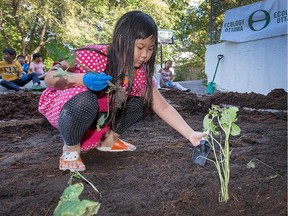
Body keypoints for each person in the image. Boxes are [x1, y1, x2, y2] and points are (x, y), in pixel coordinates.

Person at [38, 10, 204, 172]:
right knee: (86, 100)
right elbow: (50, 78)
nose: (145, 55)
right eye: (140, 47)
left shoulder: (140, 73)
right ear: (121, 40)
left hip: (99, 117)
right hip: (69, 110)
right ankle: (71, 149)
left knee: (140, 102)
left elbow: (163, 107)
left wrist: (190, 134)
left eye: (150, 48)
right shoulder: (93, 55)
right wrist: (82, 79)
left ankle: (107, 141)